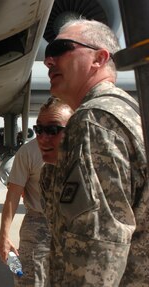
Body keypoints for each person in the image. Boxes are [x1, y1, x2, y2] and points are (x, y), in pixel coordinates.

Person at [43, 19, 148, 285]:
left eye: (61, 48)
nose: (49, 61)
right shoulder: (127, 109)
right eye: (48, 53)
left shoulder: (94, 120)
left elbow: (98, 241)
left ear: (99, 58)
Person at [0, 98, 73, 286]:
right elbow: (13, 196)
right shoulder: (28, 152)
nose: (44, 137)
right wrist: (3, 236)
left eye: (53, 130)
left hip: (76, 226)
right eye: (39, 129)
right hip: (39, 227)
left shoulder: (88, 151)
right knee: (31, 281)